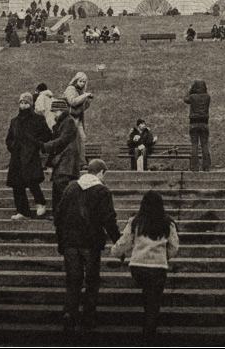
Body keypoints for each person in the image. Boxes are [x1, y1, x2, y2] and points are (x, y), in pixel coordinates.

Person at [56, 158, 121, 334]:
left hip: (70, 243)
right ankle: (88, 318)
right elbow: (109, 220)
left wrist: (60, 241)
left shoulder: (70, 188)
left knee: (73, 281)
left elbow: (59, 216)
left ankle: (69, 313)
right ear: (101, 172)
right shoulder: (102, 191)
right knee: (92, 281)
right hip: (91, 243)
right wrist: (119, 243)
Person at [111, 190, 180, 338]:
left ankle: (147, 323)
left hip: (138, 266)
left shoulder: (136, 221)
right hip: (158, 267)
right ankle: (149, 332)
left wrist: (115, 252)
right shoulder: (168, 223)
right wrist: (163, 257)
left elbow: (125, 241)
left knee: (148, 293)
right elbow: (174, 247)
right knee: (154, 299)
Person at [6, 93, 51, 219]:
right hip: (16, 156)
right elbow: (9, 139)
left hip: (31, 156)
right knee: (17, 185)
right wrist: (12, 147)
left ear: (31, 104)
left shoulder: (38, 119)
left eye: (26, 103)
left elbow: (47, 135)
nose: (23, 105)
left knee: (31, 180)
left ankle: (40, 202)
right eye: (21, 102)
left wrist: (36, 144)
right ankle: (23, 211)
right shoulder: (14, 121)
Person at [42, 99, 81, 231]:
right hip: (64, 159)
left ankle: (65, 214)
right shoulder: (62, 122)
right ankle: (59, 214)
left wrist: (46, 146)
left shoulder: (68, 121)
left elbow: (63, 140)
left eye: (55, 111)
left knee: (61, 185)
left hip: (67, 159)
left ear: (62, 110)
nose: (54, 114)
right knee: (58, 185)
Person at [63, 72, 93, 164]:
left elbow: (82, 108)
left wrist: (88, 101)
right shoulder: (70, 89)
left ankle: (82, 162)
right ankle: (74, 162)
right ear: (76, 80)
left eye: (84, 82)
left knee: (82, 139)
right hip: (70, 117)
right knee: (72, 139)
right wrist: (84, 96)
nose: (82, 83)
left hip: (78, 118)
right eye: (81, 81)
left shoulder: (81, 91)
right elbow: (73, 102)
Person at [183, 80, 211, 172]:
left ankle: (194, 167)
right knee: (205, 145)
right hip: (204, 123)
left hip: (194, 123)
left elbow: (185, 99)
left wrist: (190, 90)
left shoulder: (192, 97)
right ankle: (206, 167)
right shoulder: (207, 97)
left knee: (194, 145)